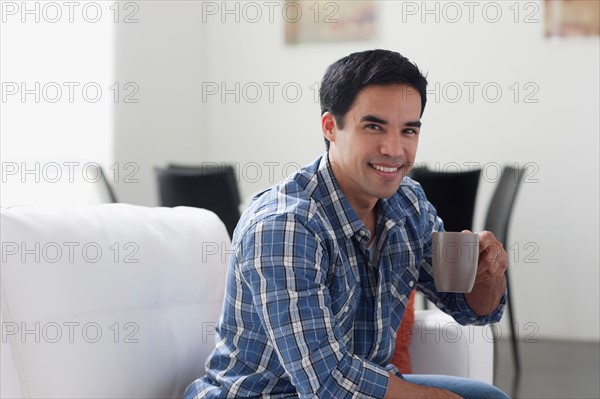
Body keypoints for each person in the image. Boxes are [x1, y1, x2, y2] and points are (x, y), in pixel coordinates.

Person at [185, 49, 511, 399]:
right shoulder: (285, 226)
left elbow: (471, 310)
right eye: (374, 126)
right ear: (331, 127)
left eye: (408, 130)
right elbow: (327, 382)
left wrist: (488, 277)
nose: (394, 149)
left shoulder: (408, 202)